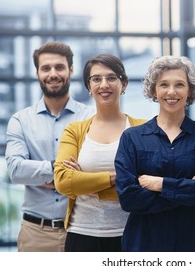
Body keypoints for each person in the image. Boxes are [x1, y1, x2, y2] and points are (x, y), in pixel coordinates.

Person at [114, 55, 195, 252]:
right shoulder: (132, 138)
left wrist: (161, 184)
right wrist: (191, 188)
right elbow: (129, 198)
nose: (171, 92)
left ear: (190, 90)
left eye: (180, 85)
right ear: (154, 90)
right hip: (145, 246)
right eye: (164, 84)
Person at [5, 41, 95, 252]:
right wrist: (63, 172)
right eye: (46, 68)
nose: (53, 74)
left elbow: (96, 169)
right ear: (37, 73)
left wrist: (41, 175)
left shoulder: (91, 117)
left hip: (82, 231)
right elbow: (16, 170)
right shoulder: (20, 120)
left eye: (59, 67)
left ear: (70, 70)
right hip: (36, 234)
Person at [53, 54, 146, 252]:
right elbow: (62, 181)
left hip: (131, 235)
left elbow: (149, 184)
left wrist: (85, 183)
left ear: (124, 84)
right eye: (96, 79)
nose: (104, 84)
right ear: (89, 86)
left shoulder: (143, 129)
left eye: (111, 78)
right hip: (81, 235)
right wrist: (118, 178)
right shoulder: (74, 130)